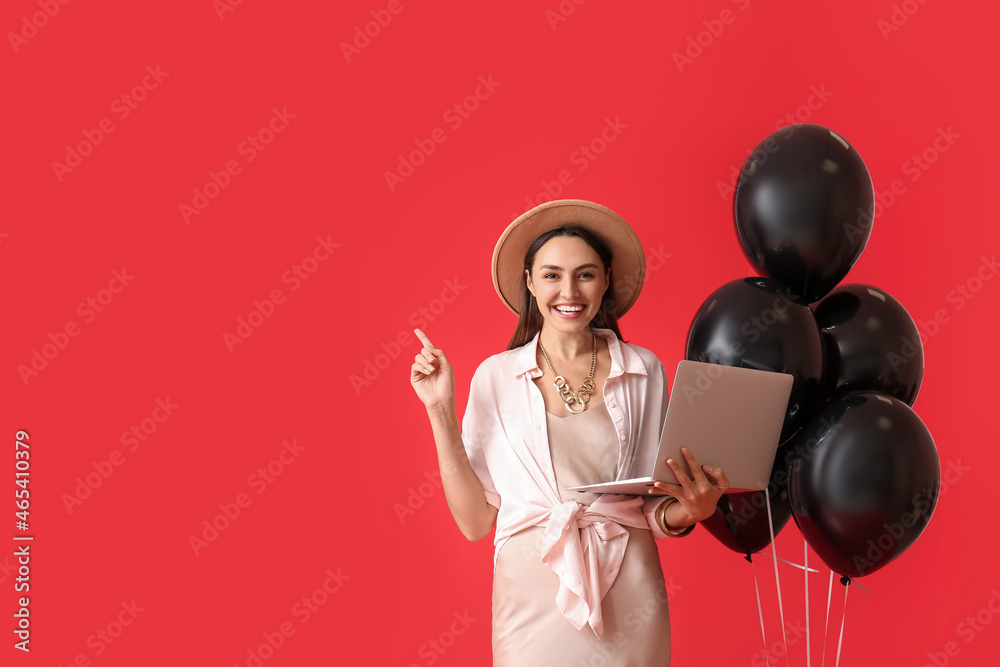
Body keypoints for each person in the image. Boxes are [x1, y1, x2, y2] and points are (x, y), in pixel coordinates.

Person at [409, 199, 729, 666]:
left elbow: (652, 506)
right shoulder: (495, 377)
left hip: (629, 587)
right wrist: (439, 409)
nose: (569, 290)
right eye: (552, 274)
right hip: (531, 594)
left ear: (605, 280)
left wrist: (691, 512)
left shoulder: (644, 370)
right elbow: (476, 521)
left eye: (585, 273)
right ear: (530, 282)